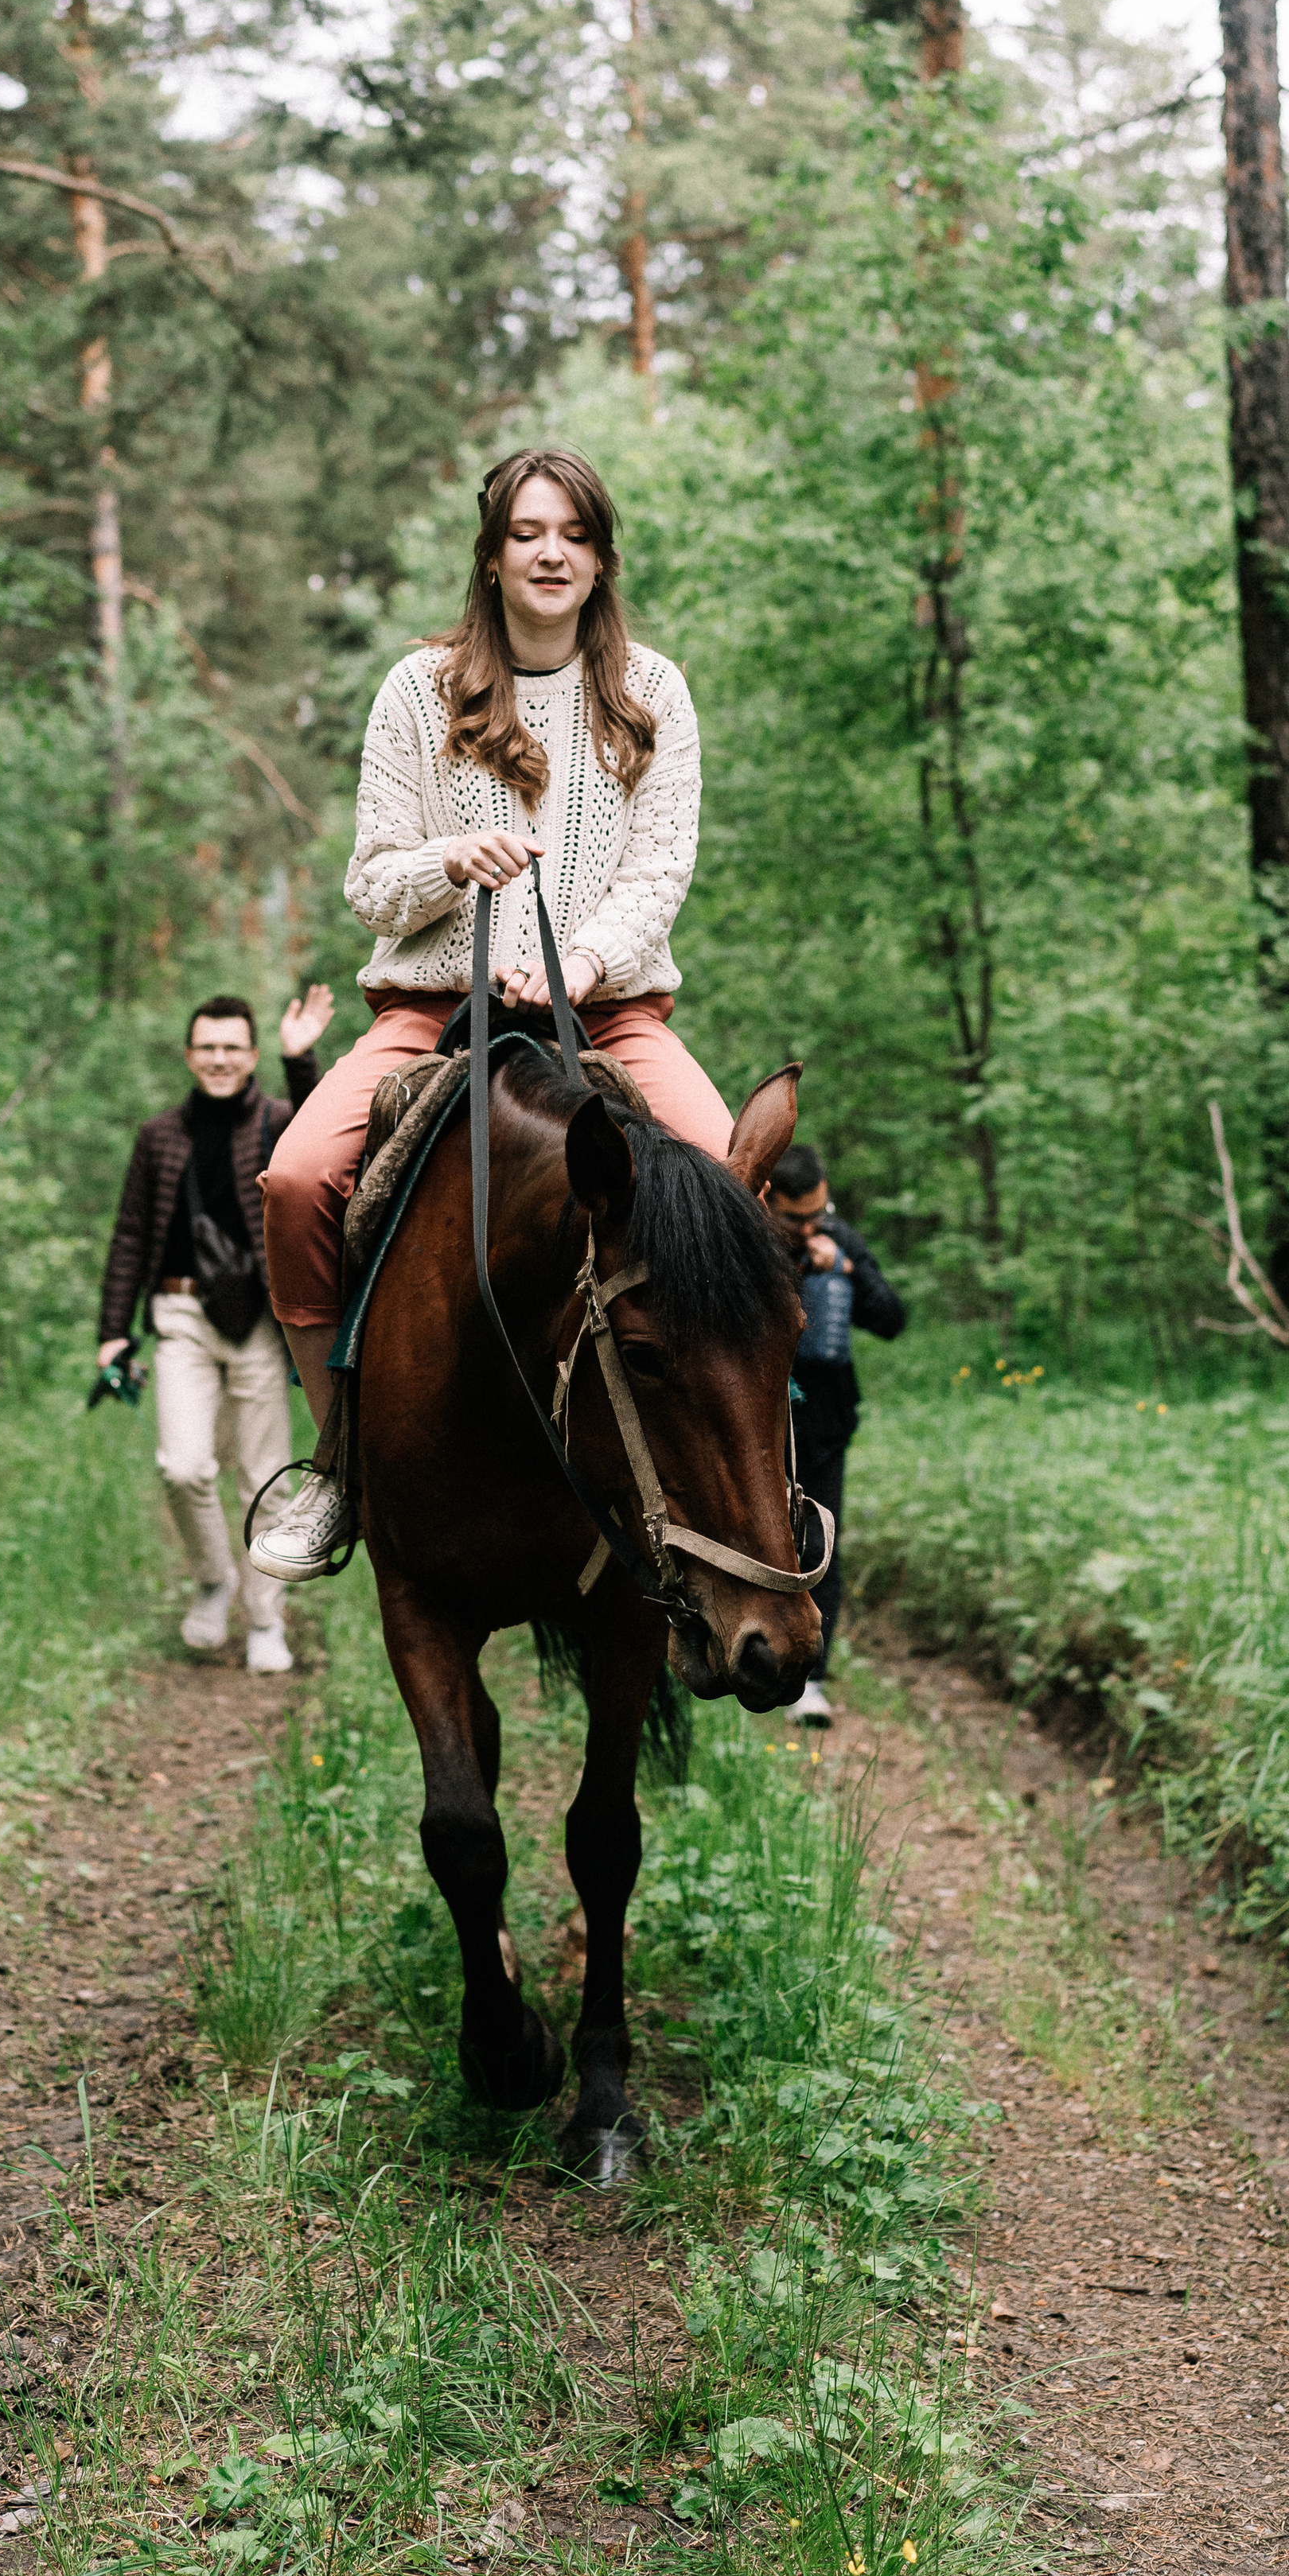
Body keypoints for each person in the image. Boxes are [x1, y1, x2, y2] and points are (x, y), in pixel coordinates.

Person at [251, 444, 733, 1583]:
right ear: (493, 554)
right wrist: (445, 861)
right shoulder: (418, 692)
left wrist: (580, 968)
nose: (550, 551)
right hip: (432, 1011)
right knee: (292, 1178)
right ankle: (340, 1461)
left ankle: (756, 1471)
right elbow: (371, 881)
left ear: (602, 556)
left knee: (721, 1169)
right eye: (527, 533)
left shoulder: (652, 693)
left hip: (609, 1015)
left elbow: (661, 871)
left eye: (571, 532)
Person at [99, 986, 334, 1670]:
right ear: (188, 1054)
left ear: (252, 1054)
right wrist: (113, 1331)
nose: (219, 1058)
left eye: (232, 1047)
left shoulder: (275, 1121)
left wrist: (301, 1059)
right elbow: (130, 1237)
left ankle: (265, 1620)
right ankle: (213, 1581)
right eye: (207, 1047)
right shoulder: (158, 1136)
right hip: (179, 1315)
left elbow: (323, 1146)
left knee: (265, 1477)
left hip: (260, 1323)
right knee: (183, 1466)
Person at [765, 1140, 905, 1726]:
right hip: (758, 1421)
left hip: (824, 1422)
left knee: (820, 1544)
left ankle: (810, 1680)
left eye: (817, 1213)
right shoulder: (747, 1237)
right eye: (796, 1217)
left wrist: (842, 1270)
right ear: (769, 1201)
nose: (809, 1225)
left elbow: (892, 1319)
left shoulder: (840, 1240)